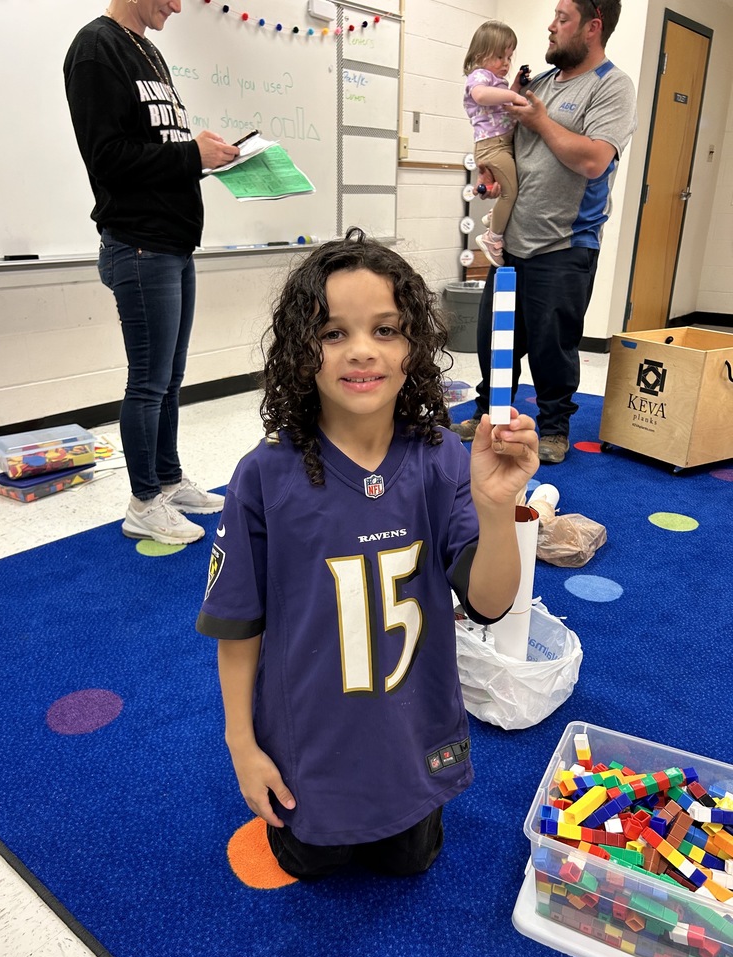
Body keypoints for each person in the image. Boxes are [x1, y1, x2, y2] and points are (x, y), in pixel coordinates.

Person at [195, 229, 539, 880]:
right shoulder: (263, 477)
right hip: (311, 747)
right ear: (303, 352)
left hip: (416, 740)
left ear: (415, 346)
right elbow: (238, 625)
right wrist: (241, 743)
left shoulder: (442, 457)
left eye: (386, 329)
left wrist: (496, 509)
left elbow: (490, 602)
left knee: (411, 863)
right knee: (311, 862)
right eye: (333, 333)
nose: (361, 351)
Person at [64, 0, 239, 545]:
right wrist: (192, 156)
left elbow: (156, 153)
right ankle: (144, 501)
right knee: (148, 382)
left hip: (172, 244)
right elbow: (108, 158)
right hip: (139, 246)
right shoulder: (96, 49)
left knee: (168, 379)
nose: (179, 6)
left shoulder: (149, 51)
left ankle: (166, 478)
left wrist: (206, 158)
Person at [452, 0, 637, 465]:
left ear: (593, 28)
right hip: (511, 241)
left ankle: (554, 427)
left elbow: (594, 160)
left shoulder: (612, 86)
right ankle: (488, 412)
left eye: (562, 19)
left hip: (564, 242)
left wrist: (538, 119)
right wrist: (490, 177)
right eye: (553, 17)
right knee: (496, 339)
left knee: (553, 345)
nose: (551, 28)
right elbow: (506, 138)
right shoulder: (539, 83)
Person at [463, 21, 529, 269]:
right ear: (481, 55)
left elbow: (501, 103)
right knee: (511, 191)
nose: (506, 63)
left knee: (510, 186)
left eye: (509, 57)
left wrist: (516, 85)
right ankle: (492, 238)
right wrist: (513, 95)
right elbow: (481, 95)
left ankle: (496, 216)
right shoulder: (479, 76)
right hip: (492, 145)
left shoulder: (496, 80)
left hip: (502, 144)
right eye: (500, 56)